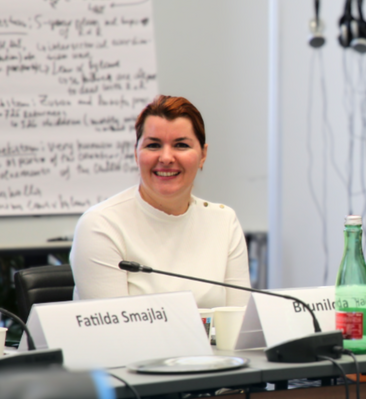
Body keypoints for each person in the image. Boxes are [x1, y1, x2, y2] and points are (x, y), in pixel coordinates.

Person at [70, 95, 251, 308]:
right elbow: (114, 333)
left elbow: (239, 325)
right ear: (136, 154)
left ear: (203, 155)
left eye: (181, 145)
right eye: (154, 145)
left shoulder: (224, 222)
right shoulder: (101, 224)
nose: (166, 158)